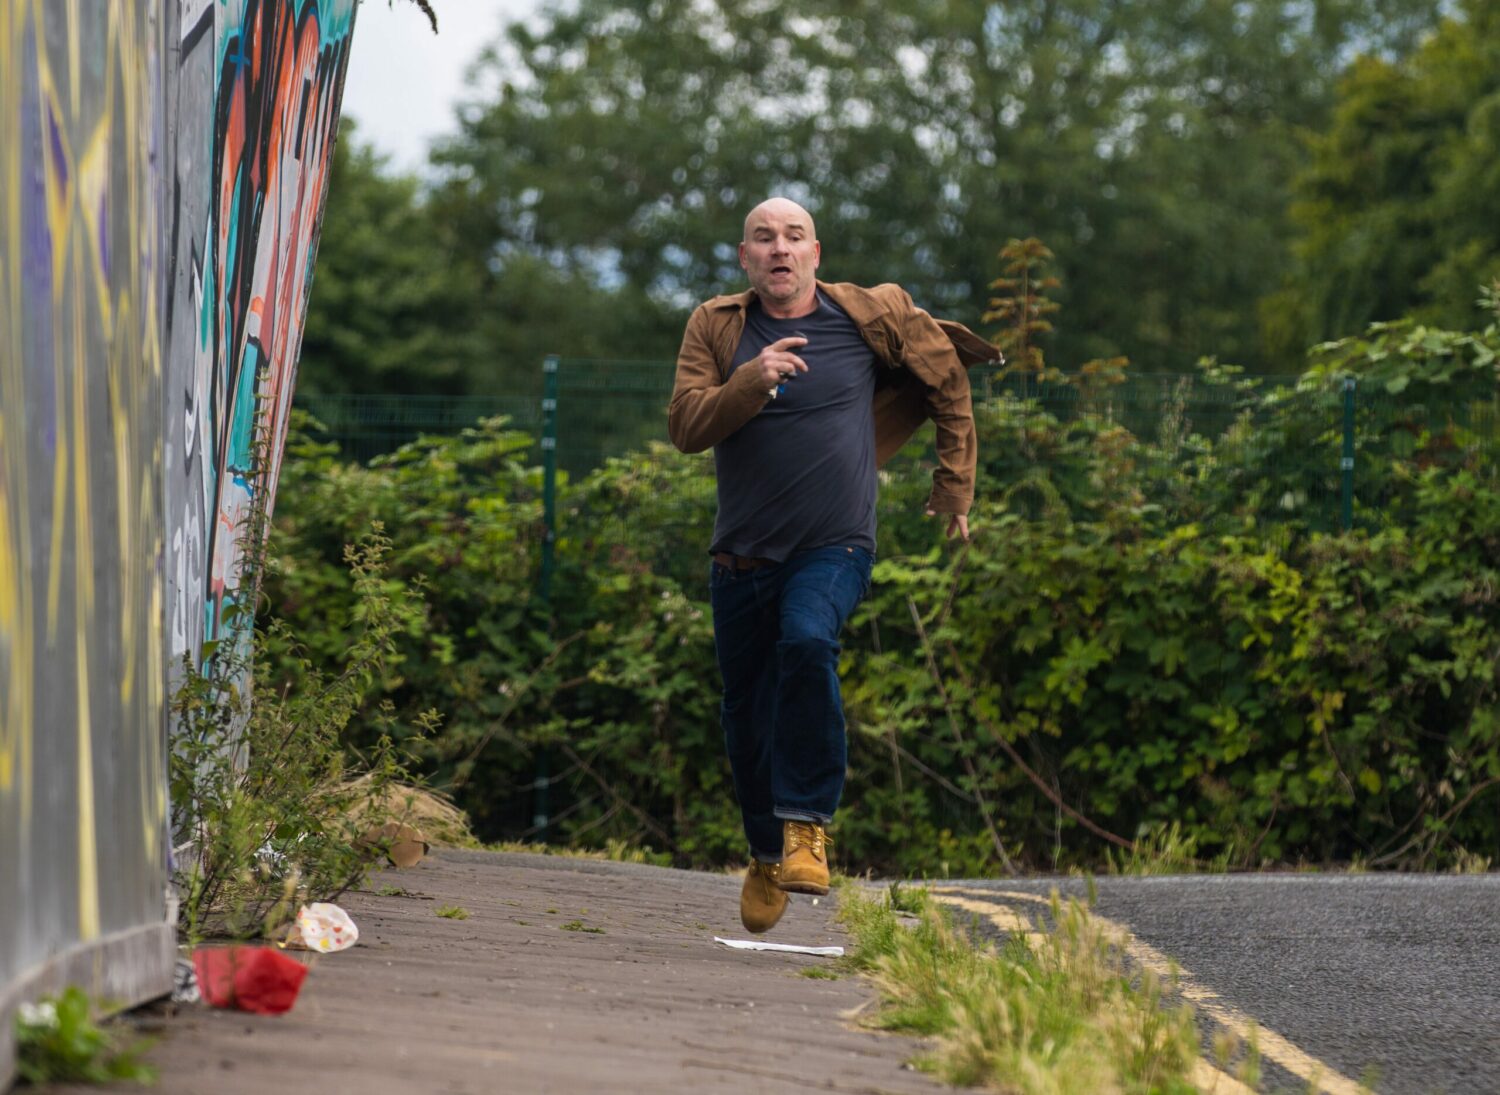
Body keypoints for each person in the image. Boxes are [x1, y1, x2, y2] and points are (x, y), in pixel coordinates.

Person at [667, 197, 995, 933]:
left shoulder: (865, 318)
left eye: (793, 236)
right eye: (763, 238)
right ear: (745, 258)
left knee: (810, 639)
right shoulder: (717, 327)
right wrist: (752, 379)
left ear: (816, 252)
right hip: (741, 555)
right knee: (746, 715)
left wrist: (954, 484)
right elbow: (686, 426)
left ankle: (807, 825)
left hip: (836, 542)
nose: (779, 248)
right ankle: (763, 850)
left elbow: (946, 376)